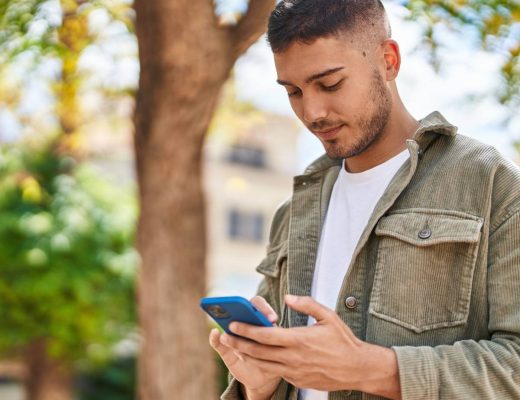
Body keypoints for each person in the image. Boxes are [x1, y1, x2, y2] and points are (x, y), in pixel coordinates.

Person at [209, 1, 520, 399]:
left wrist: (369, 369)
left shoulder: (491, 184)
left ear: (388, 60)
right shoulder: (295, 211)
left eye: (330, 83)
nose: (313, 111)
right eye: (293, 91)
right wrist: (261, 385)